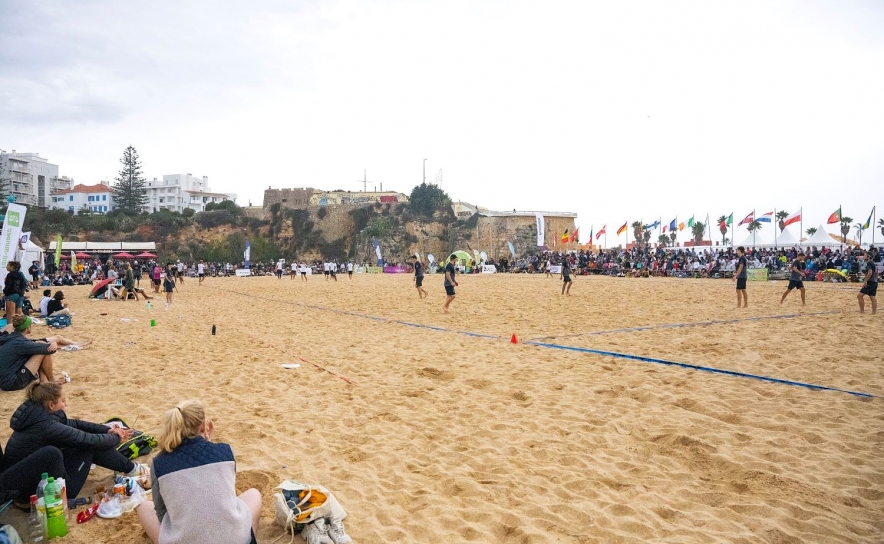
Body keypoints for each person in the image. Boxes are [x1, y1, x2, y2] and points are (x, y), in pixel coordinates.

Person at [136, 400, 261, 544]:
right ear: (203, 426)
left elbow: (161, 512)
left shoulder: (158, 463)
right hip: (233, 540)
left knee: (144, 508)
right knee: (253, 495)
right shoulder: (226, 451)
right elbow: (224, 498)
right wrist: (208, 442)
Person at [3, 382, 150, 500]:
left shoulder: (36, 413)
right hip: (38, 493)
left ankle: (132, 469)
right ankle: (133, 469)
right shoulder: (47, 426)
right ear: (51, 405)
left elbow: (76, 424)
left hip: (34, 478)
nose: (65, 404)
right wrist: (118, 437)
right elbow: (89, 441)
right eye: (63, 401)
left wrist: (107, 430)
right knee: (88, 446)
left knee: (84, 441)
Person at [0, 316, 59, 391]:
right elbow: (49, 350)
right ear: (28, 328)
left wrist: (36, 343)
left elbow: (25, 344)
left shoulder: (9, 337)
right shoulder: (20, 343)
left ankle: (43, 381)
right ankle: (52, 381)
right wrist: (53, 343)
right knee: (41, 352)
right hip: (12, 383)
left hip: (4, 381)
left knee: (36, 350)